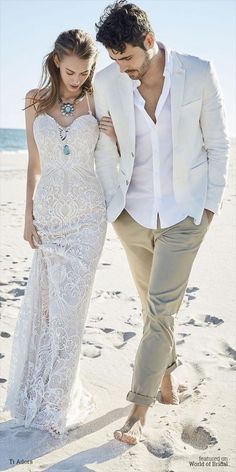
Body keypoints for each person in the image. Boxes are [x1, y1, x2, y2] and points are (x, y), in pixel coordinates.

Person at [94, 1, 230, 444]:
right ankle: (168, 381)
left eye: (128, 57)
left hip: (184, 216)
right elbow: (102, 146)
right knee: (151, 306)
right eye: (114, 59)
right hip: (132, 215)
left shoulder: (198, 71)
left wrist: (208, 208)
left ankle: (138, 410)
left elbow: (218, 143)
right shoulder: (107, 81)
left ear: (149, 41)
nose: (122, 67)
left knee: (159, 312)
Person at [3, 29, 115, 437]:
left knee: (71, 314)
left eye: (84, 72)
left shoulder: (97, 99)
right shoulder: (34, 100)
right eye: (70, 71)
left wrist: (115, 136)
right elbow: (34, 165)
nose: (77, 79)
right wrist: (27, 215)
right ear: (56, 62)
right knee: (48, 312)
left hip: (88, 217)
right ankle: (38, 391)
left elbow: (120, 154)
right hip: (49, 215)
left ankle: (56, 404)